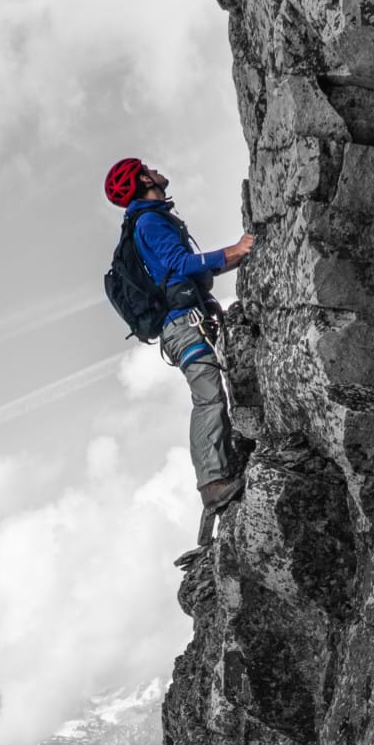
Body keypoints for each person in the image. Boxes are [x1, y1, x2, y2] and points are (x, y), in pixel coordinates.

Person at [104, 157, 254, 510]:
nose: (156, 171)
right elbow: (181, 264)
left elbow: (178, 273)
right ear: (142, 179)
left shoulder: (145, 221)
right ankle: (213, 482)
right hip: (183, 324)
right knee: (208, 397)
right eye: (149, 168)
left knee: (210, 395)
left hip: (183, 322)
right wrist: (234, 250)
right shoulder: (151, 221)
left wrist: (232, 260)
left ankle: (217, 472)